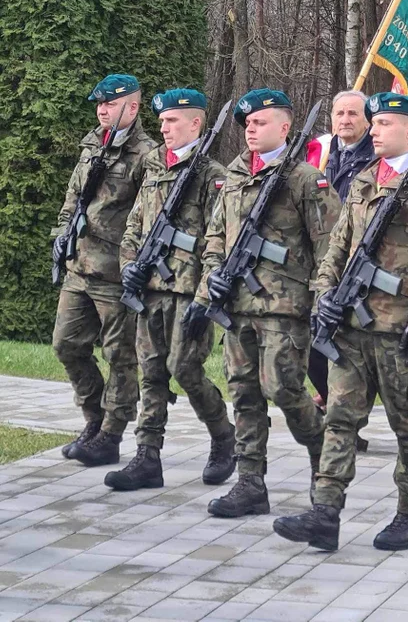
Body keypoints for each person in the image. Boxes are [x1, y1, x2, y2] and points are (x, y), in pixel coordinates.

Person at [272, 93, 408, 552]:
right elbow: (336, 247)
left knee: (407, 425)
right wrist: (324, 295)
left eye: (385, 123)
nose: (374, 130)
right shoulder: (361, 181)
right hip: (352, 329)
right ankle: (324, 513)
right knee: (339, 420)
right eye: (373, 122)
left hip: (399, 332)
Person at [198, 89, 340, 517]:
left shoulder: (304, 179)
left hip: (284, 306)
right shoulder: (236, 176)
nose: (251, 130)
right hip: (237, 303)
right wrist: (212, 278)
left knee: (284, 388)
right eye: (248, 124)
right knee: (242, 392)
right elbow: (215, 237)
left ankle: (322, 459)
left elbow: (330, 246)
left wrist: (321, 303)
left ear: (285, 127)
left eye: (260, 123)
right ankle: (250, 482)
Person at [107, 89, 235, 491]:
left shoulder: (213, 175)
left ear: (195, 123)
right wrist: (129, 267)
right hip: (150, 290)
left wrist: (204, 298)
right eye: (161, 122)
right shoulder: (154, 167)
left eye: (172, 121)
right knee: (151, 372)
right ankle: (148, 457)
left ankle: (223, 436)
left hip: (188, 293)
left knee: (185, 369)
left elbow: (220, 241)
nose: (163, 128)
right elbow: (133, 226)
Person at [53, 74, 157, 467]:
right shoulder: (91, 144)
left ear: (131, 108)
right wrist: (62, 235)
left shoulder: (147, 155)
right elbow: (73, 199)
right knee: (66, 345)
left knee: (120, 356)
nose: (101, 109)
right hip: (79, 266)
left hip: (115, 273)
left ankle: (111, 435)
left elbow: (147, 215)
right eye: (99, 104)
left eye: (110, 104)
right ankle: (94, 419)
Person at [304, 90, 375, 452]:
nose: (344, 120)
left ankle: (348, 420)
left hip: (355, 262)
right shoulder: (319, 154)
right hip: (315, 261)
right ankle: (331, 404)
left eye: (352, 114)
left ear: (367, 120)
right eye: (339, 113)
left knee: (348, 345)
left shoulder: (375, 158)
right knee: (311, 341)